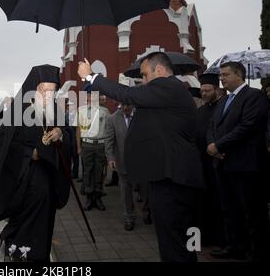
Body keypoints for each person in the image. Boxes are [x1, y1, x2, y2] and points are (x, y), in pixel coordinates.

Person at [78, 52, 204, 262]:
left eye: (145, 75)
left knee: (173, 239)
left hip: (174, 179)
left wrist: (92, 77)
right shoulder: (168, 94)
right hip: (171, 176)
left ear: (160, 71)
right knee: (176, 239)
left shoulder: (168, 87)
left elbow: (128, 95)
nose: (143, 81)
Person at [0, 65, 71, 262]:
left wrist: (61, 133)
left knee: (44, 215)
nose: (49, 95)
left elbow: (68, 133)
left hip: (47, 174)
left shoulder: (55, 109)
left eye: (52, 91)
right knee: (25, 216)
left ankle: (39, 254)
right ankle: (19, 250)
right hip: (23, 175)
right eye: (44, 90)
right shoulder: (18, 108)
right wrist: (29, 152)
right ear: (34, 88)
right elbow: (0, 139)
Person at [207, 62, 269, 261]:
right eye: (220, 75)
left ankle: (257, 251)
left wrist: (219, 146)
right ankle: (235, 246)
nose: (221, 78)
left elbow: (247, 126)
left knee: (251, 211)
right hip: (223, 164)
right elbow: (213, 125)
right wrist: (212, 146)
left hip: (245, 165)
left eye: (225, 75)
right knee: (229, 208)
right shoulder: (224, 100)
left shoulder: (254, 96)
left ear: (239, 75)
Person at [105, 102, 151, 231]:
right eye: (123, 105)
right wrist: (111, 158)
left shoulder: (141, 116)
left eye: (128, 105)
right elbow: (109, 141)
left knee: (145, 190)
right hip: (123, 162)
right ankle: (129, 217)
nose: (125, 108)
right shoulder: (112, 118)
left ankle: (147, 212)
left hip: (142, 162)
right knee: (126, 192)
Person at [195, 73, 224, 247]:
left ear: (217, 90)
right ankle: (204, 238)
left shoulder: (222, 108)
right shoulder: (200, 111)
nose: (204, 94)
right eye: (202, 91)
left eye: (207, 91)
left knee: (219, 203)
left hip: (218, 163)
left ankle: (222, 239)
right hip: (201, 165)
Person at [76, 91, 110, 211]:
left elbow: (108, 130)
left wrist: (107, 148)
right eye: (90, 96)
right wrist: (78, 147)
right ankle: (89, 197)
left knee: (99, 171)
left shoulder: (105, 111)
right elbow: (78, 130)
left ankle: (98, 197)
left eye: (95, 96)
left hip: (100, 145)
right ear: (88, 98)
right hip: (87, 145)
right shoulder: (81, 110)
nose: (92, 98)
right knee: (88, 171)